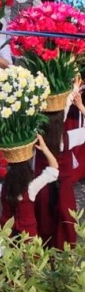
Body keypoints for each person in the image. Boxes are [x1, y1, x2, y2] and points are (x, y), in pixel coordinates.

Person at [34, 94, 85, 249]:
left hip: (42, 185)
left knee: (43, 219)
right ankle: (65, 252)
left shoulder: (36, 138)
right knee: (66, 220)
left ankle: (43, 249)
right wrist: (81, 106)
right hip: (64, 188)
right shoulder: (70, 137)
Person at [0, 135, 58, 238]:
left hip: (6, 232)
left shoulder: (1, 184)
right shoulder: (32, 187)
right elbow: (54, 168)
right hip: (27, 234)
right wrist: (44, 148)